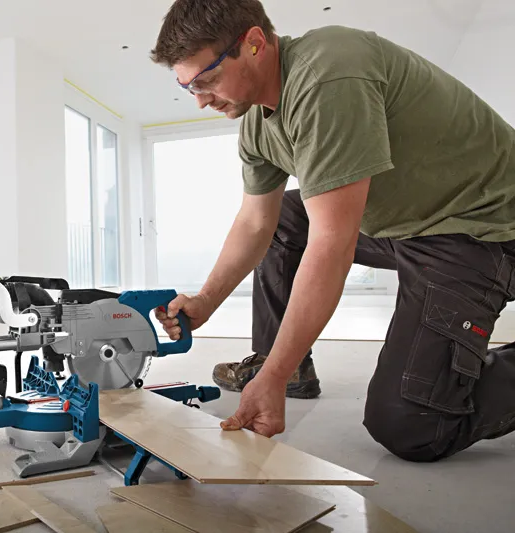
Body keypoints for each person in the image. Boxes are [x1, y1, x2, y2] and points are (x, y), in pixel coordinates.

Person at [150, 0, 515, 462]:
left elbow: (331, 242)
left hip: (480, 227)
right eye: (188, 87)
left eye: (206, 79)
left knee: (412, 424)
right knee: (286, 216)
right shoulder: (257, 126)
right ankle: (286, 365)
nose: (201, 99)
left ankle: (279, 371)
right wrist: (206, 300)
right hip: (409, 225)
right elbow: (256, 222)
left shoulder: (329, 75)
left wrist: (272, 380)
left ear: (254, 43)